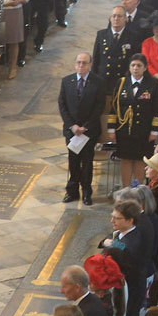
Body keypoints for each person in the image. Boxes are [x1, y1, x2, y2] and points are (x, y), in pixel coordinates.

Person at [58, 52, 106, 205]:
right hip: (71, 130)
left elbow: (99, 106)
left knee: (86, 162)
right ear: (75, 64)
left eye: (84, 63)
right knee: (73, 161)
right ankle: (72, 191)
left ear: (90, 65)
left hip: (88, 130)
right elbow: (62, 105)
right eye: (78, 62)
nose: (81, 66)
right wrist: (72, 126)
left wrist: (85, 127)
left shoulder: (98, 82)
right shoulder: (67, 81)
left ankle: (86, 191)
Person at [110, 54, 158, 188]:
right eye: (133, 65)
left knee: (140, 161)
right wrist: (111, 129)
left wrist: (155, 131)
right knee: (126, 160)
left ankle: (137, 190)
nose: (135, 68)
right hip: (124, 129)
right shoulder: (121, 83)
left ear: (145, 68)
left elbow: (157, 109)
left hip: (144, 130)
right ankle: (125, 189)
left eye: (139, 66)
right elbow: (114, 107)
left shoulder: (152, 84)